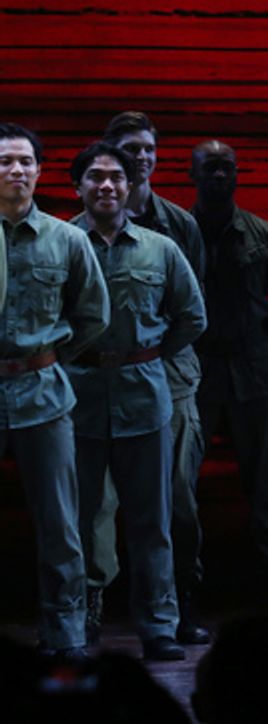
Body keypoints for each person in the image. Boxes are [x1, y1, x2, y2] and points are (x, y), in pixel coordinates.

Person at [66, 141, 206, 661]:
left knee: (153, 521)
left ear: (130, 186)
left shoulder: (159, 248)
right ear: (77, 186)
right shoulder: (61, 242)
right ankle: (75, 623)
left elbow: (193, 317)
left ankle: (159, 625)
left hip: (145, 398)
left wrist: (146, 355)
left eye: (116, 177)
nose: (106, 185)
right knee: (77, 520)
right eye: (95, 177)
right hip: (77, 398)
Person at [189, 139, 268, 622]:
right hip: (195, 372)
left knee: (267, 483)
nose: (219, 176)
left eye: (227, 168)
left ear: (238, 174)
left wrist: (251, 336)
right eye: (210, 168)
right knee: (179, 486)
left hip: (252, 371)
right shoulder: (175, 234)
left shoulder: (265, 237)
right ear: (192, 175)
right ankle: (180, 590)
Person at [0, 123, 109, 661]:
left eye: (24, 161)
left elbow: (93, 314)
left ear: (40, 172)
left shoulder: (66, 240)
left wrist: (48, 356)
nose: (15, 170)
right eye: (5, 162)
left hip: (42, 393)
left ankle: (64, 634)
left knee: (60, 522)